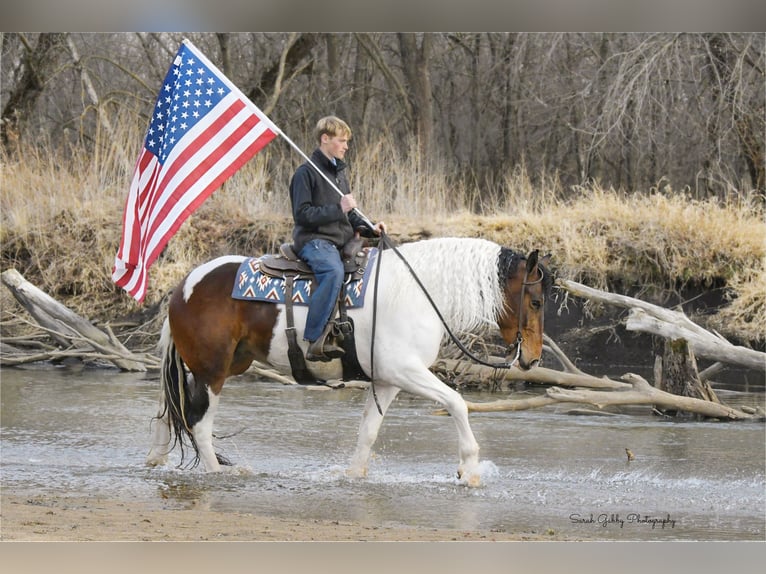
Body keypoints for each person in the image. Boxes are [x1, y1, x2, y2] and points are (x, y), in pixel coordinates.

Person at [289, 116, 386, 362]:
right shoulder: (305, 173)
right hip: (314, 240)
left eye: (346, 142)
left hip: (338, 239)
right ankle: (315, 339)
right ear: (325, 139)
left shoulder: (339, 173)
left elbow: (350, 215)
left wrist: (370, 228)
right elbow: (302, 215)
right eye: (341, 141)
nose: (346, 146)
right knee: (333, 272)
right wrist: (339, 208)